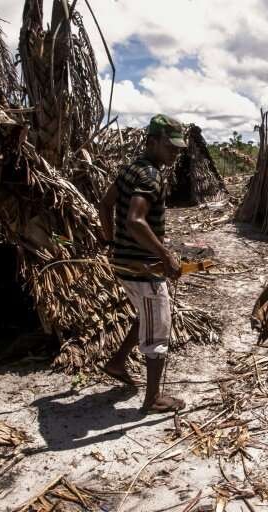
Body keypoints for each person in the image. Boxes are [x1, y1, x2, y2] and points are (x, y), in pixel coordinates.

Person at [97, 114, 187, 413]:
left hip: (126, 265)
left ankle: (117, 362)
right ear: (152, 142)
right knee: (158, 328)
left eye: (178, 148)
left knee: (145, 316)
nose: (175, 153)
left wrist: (111, 242)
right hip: (144, 269)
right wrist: (166, 255)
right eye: (170, 146)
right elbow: (136, 221)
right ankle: (153, 399)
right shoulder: (150, 176)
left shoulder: (130, 169)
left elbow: (105, 205)